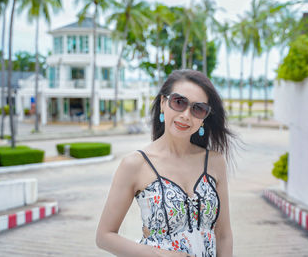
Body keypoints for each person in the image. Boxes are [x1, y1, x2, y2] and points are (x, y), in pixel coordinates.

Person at [96, 70, 234, 256]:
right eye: (179, 102)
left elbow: (223, 235)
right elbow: (104, 236)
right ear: (163, 103)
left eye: (197, 108)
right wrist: (159, 254)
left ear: (204, 118)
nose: (186, 115)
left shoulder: (215, 163)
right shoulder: (135, 164)